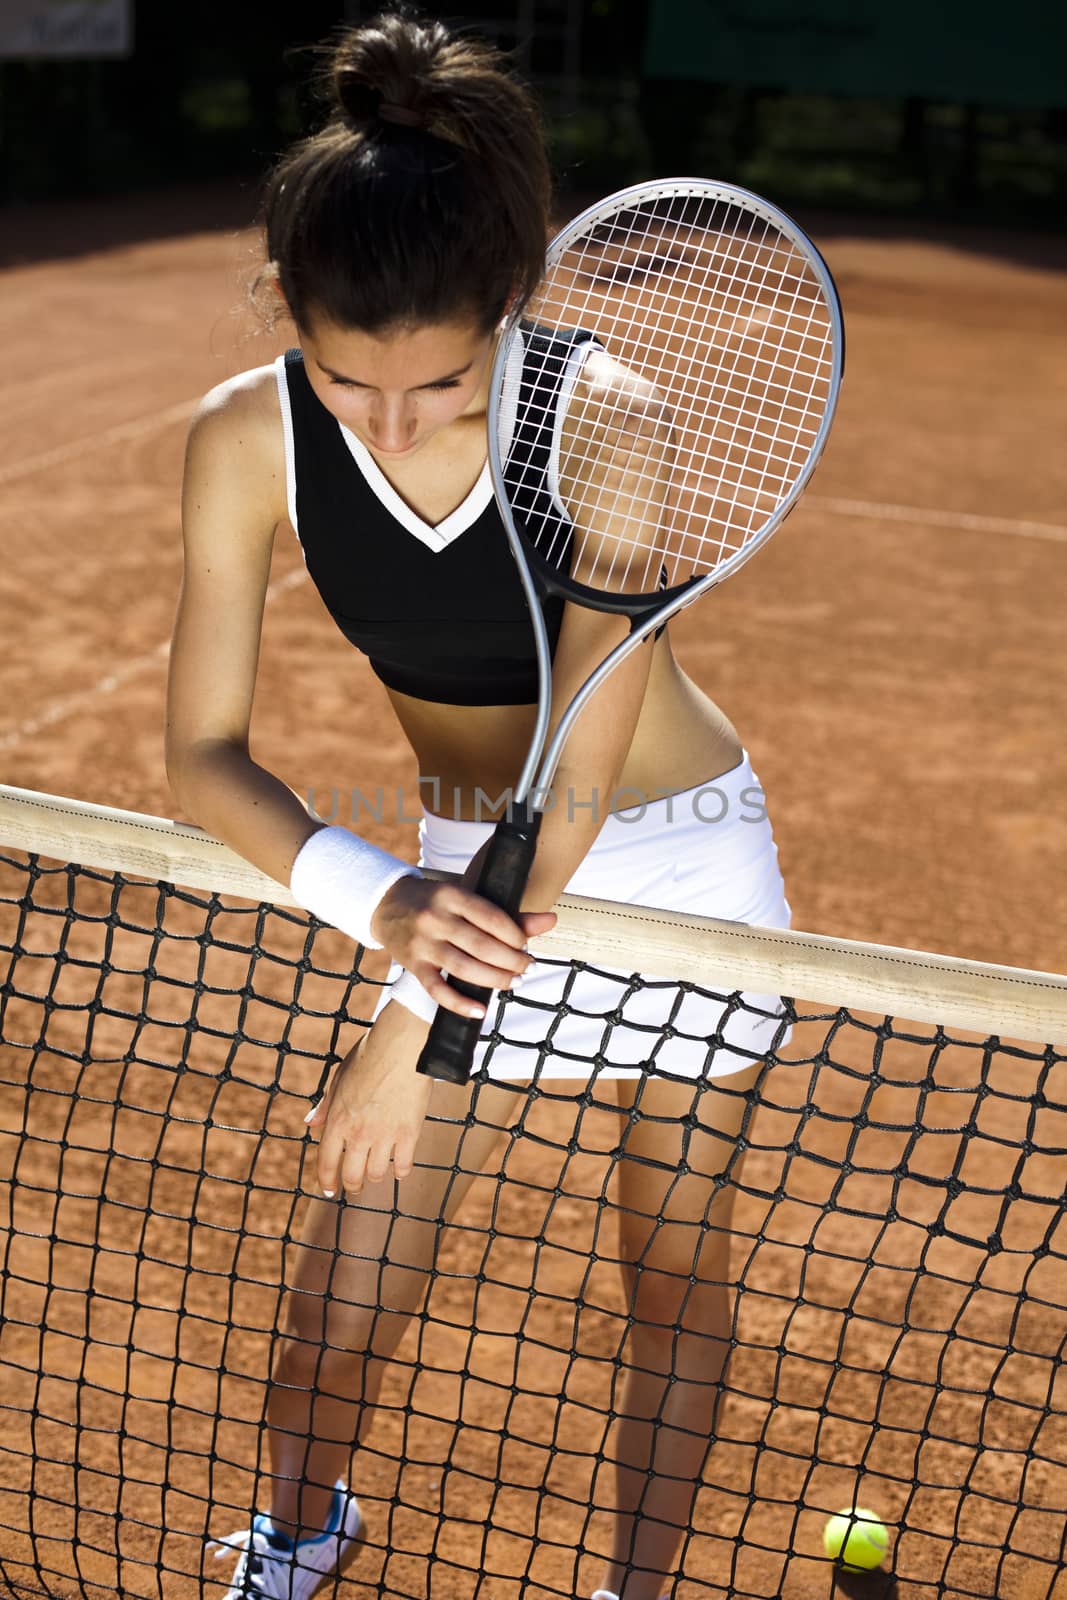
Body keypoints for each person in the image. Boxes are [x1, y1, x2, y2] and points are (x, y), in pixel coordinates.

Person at [166, 10, 791, 1599]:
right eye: (342, 378)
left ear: (505, 312)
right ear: (287, 315)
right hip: (461, 865)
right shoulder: (246, 439)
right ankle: (300, 1537)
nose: (386, 423)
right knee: (349, 1261)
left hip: (673, 873)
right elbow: (203, 757)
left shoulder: (604, 417)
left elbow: (579, 764)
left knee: (669, 1274)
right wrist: (382, 902)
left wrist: (402, 1016)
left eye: (438, 383)